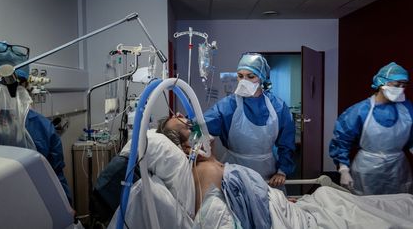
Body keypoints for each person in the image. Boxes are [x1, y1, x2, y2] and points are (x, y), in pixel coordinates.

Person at [157, 115, 413, 229]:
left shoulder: (274, 106)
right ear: (188, 146)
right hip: (290, 215)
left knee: (331, 197)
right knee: (365, 213)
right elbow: (217, 216)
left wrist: (274, 193)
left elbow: (287, 143)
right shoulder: (205, 171)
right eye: (189, 125)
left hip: (285, 203)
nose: (197, 124)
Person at [0, 40, 72, 203]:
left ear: (26, 86)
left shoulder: (42, 127)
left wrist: (65, 205)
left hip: (32, 204)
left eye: (13, 83)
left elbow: (55, 176)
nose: (2, 90)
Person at [204, 52, 296, 187]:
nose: (244, 81)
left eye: (250, 76)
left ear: (262, 78)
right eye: (240, 76)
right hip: (234, 169)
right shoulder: (228, 105)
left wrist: (282, 171)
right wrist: (187, 123)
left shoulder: (277, 107)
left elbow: (287, 143)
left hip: (266, 172)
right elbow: (203, 124)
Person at [329, 62, 413, 195]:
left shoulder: (407, 109)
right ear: (381, 83)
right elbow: (342, 140)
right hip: (367, 169)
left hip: (398, 168)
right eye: (397, 85)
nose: (401, 89)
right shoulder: (360, 110)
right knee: (366, 208)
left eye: (404, 86)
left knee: (398, 207)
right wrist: (344, 169)